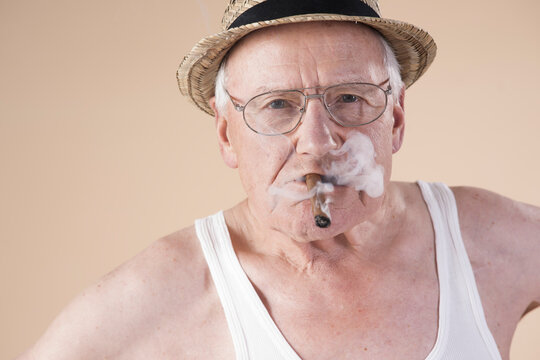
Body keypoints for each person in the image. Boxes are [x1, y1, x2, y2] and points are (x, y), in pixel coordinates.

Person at [17, 1, 539, 359]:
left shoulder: (485, 240)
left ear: (396, 119)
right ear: (226, 136)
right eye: (277, 106)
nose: (317, 141)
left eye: (350, 98)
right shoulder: (170, 290)